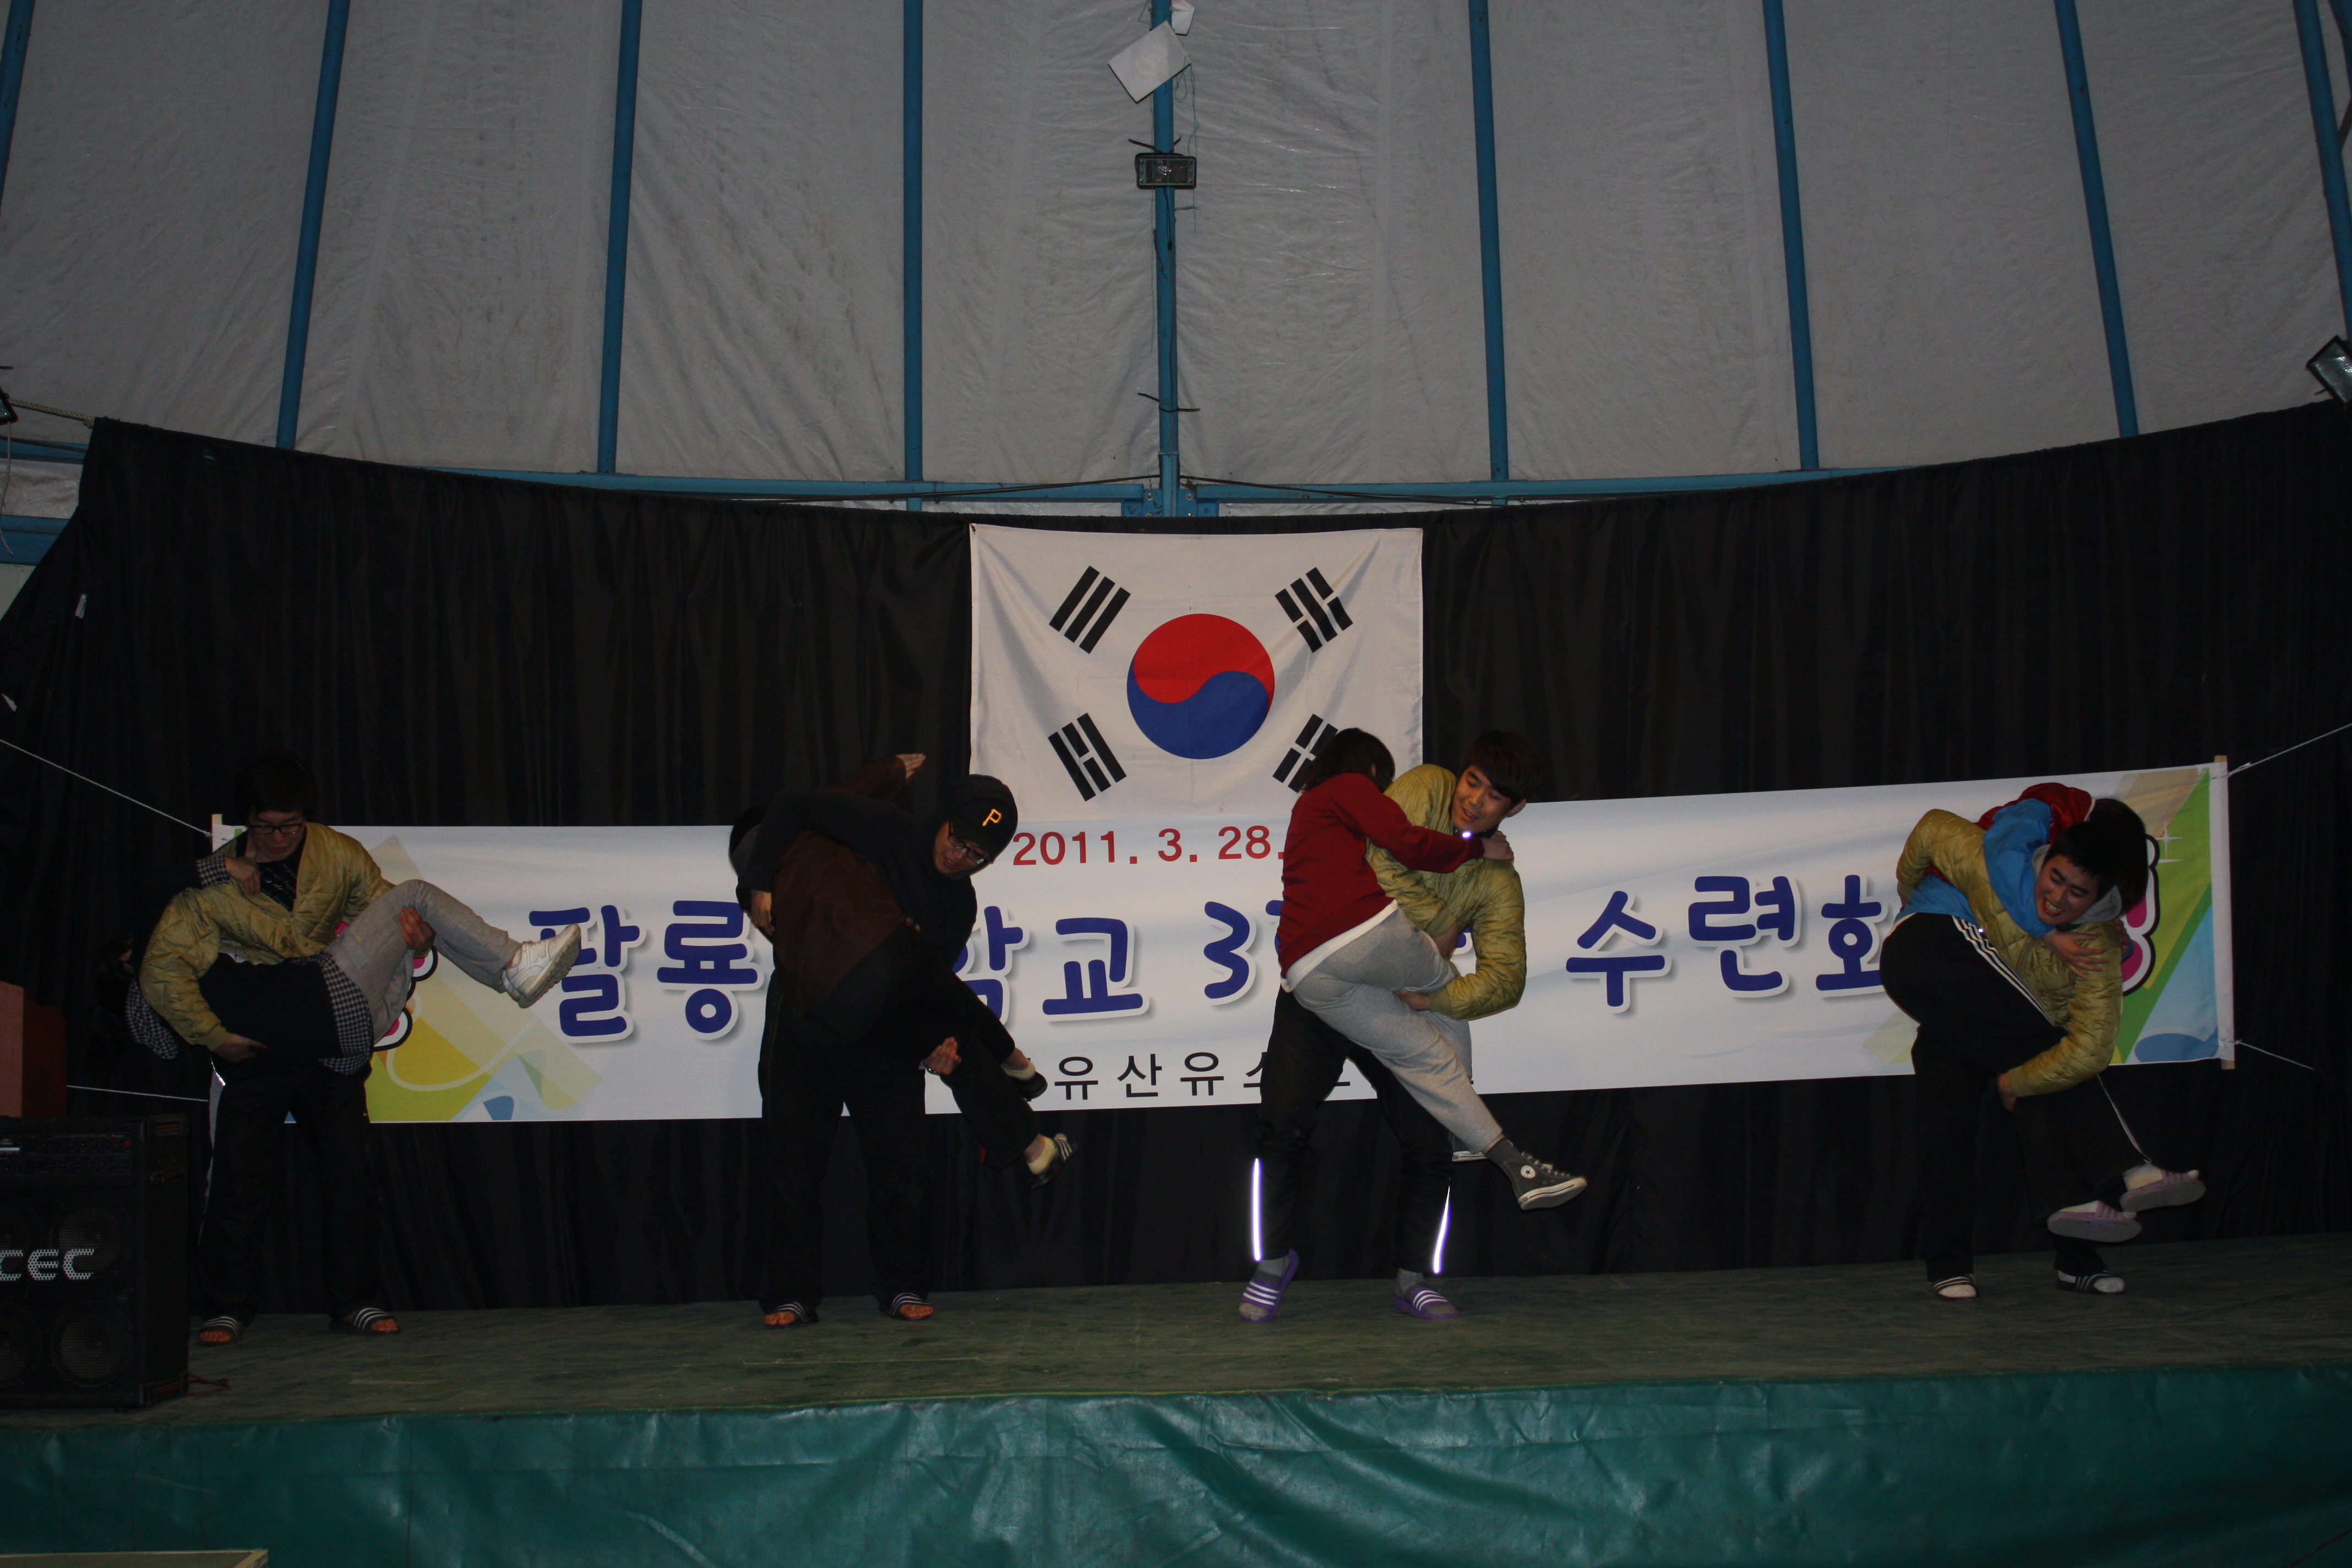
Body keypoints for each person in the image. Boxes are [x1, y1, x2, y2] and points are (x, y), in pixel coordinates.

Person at [129, 754, 579, 1343]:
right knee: (238, 1176)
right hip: (264, 1036)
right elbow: (153, 927)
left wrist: (416, 936)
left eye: (292, 825)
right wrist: (216, 1030)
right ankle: (226, 1305)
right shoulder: (215, 877)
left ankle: (355, 1300)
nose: (282, 838)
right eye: (268, 827)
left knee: (351, 1173)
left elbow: (388, 913)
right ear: (247, 820)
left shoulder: (335, 853)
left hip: (328, 1015)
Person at [1240, 729, 1582, 1324]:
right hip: (1336, 968)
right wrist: (1438, 934)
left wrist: (1435, 996)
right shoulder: (1424, 786)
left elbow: (1505, 979)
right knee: (1281, 1120)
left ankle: (1415, 1275)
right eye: (1472, 781)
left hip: (1403, 994)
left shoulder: (1499, 880)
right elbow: (1382, 859)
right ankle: (1271, 1263)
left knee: (1429, 1135)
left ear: (1515, 808)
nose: (1474, 800)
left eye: (1493, 796)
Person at [732, 754, 1069, 1329]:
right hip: (807, 1013)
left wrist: (933, 1044)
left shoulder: (958, 904)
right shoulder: (886, 828)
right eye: (957, 839)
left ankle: (901, 1285)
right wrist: (759, 882)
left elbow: (930, 984)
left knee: (903, 1166)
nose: (959, 856)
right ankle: (790, 1293)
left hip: (883, 1033)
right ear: (943, 818)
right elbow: (796, 808)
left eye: (976, 856)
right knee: (792, 1161)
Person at [1883, 785, 2204, 1300]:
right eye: (2057, 879)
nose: (2059, 897)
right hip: (1942, 946)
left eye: (2080, 893)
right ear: (2055, 851)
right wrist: (1913, 897)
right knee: (2035, 1061)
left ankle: (2060, 1255)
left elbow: (2090, 1039)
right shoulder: (2020, 844)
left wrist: (2021, 1080)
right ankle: (2127, 1170)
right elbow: (1946, 835)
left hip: (1971, 1005)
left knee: (2023, 1090)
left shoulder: (2097, 938)